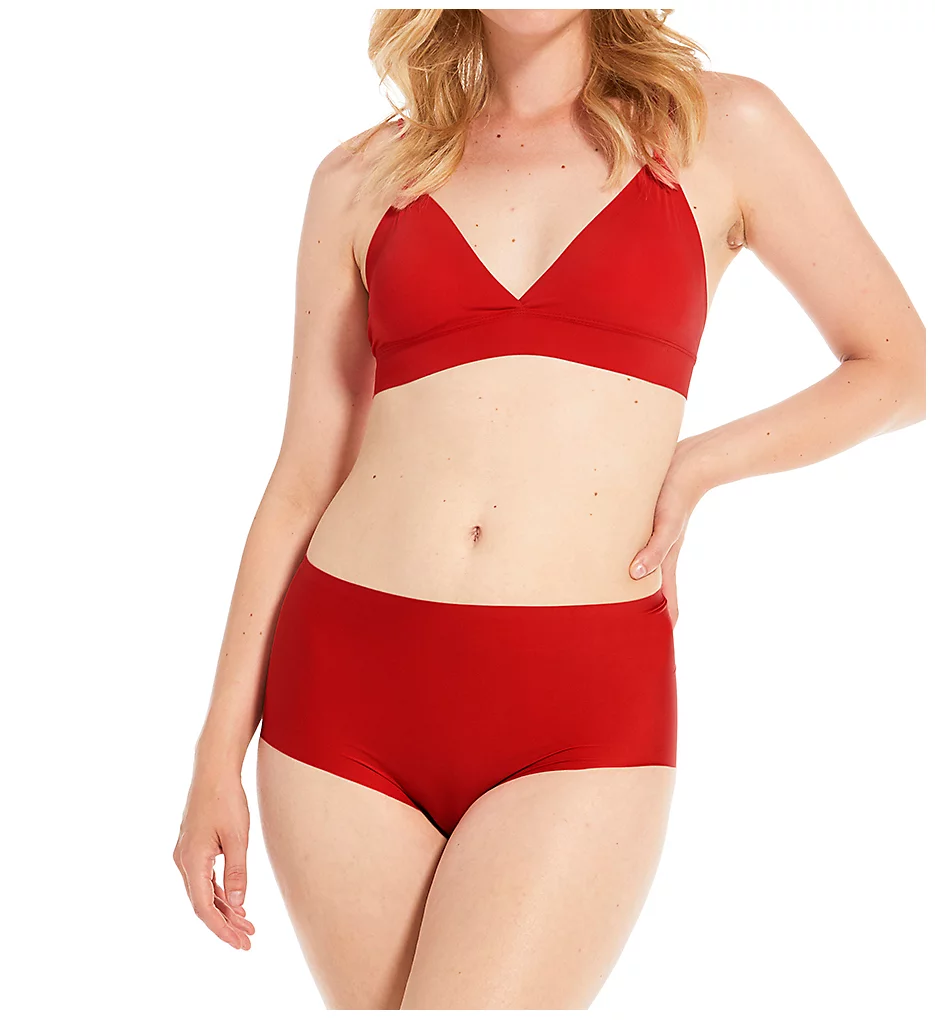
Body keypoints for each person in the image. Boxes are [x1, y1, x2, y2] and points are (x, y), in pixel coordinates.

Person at [173, 8, 925, 1009]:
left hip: (577, 708)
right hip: (341, 697)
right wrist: (214, 757)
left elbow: (896, 368)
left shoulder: (718, 130)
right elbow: (302, 477)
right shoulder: (361, 176)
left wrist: (696, 467)